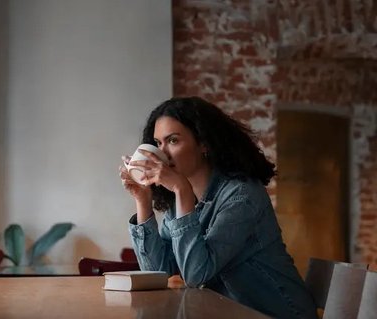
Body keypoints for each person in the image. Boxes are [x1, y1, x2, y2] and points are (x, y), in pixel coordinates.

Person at [119, 96, 318, 319]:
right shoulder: (182, 200)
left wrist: (181, 190)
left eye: (173, 141)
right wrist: (143, 200)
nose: (162, 153)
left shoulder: (241, 195)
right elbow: (157, 272)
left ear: (204, 144)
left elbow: (196, 274)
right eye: (158, 143)